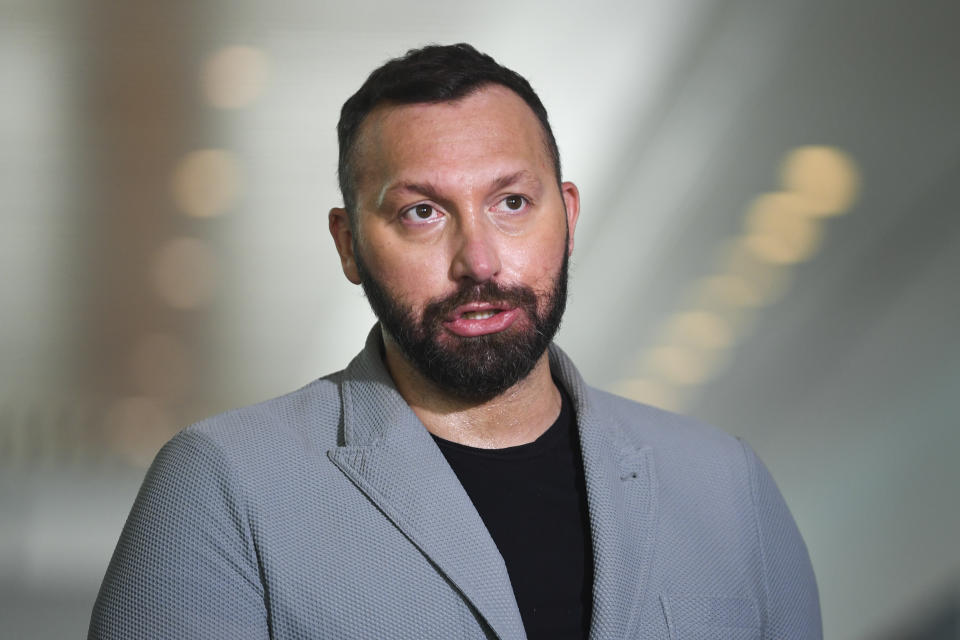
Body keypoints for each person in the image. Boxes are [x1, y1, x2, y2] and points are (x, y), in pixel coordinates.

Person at [89, 43, 821, 640]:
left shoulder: (728, 486)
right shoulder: (225, 485)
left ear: (566, 216)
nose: (478, 260)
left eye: (510, 203)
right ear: (349, 245)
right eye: (420, 213)